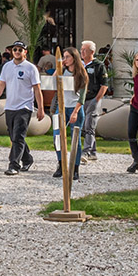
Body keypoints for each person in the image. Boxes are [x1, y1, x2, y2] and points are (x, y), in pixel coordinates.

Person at [0, 41, 44, 175]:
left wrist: (41, 108)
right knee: (13, 135)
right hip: (10, 106)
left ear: (25, 52)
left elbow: (37, 89)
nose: (17, 52)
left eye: (20, 50)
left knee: (18, 135)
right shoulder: (7, 67)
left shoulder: (31, 68)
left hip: (25, 106)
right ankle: (27, 159)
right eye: (15, 49)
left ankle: (14, 165)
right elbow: (1, 84)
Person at [52, 47, 88, 180]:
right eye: (64, 57)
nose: (65, 59)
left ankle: (75, 168)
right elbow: (52, 82)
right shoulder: (63, 71)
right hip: (61, 107)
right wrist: (59, 67)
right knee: (57, 136)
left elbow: (82, 97)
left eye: (67, 57)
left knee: (75, 139)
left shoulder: (81, 74)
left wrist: (75, 112)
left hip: (74, 107)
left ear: (74, 57)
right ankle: (61, 164)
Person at [79, 40, 108, 162]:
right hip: (81, 99)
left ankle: (86, 151)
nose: (82, 52)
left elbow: (104, 85)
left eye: (84, 50)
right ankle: (93, 151)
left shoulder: (98, 65)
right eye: (81, 50)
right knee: (83, 126)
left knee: (89, 125)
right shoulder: (79, 64)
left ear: (91, 52)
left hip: (93, 98)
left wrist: (96, 99)